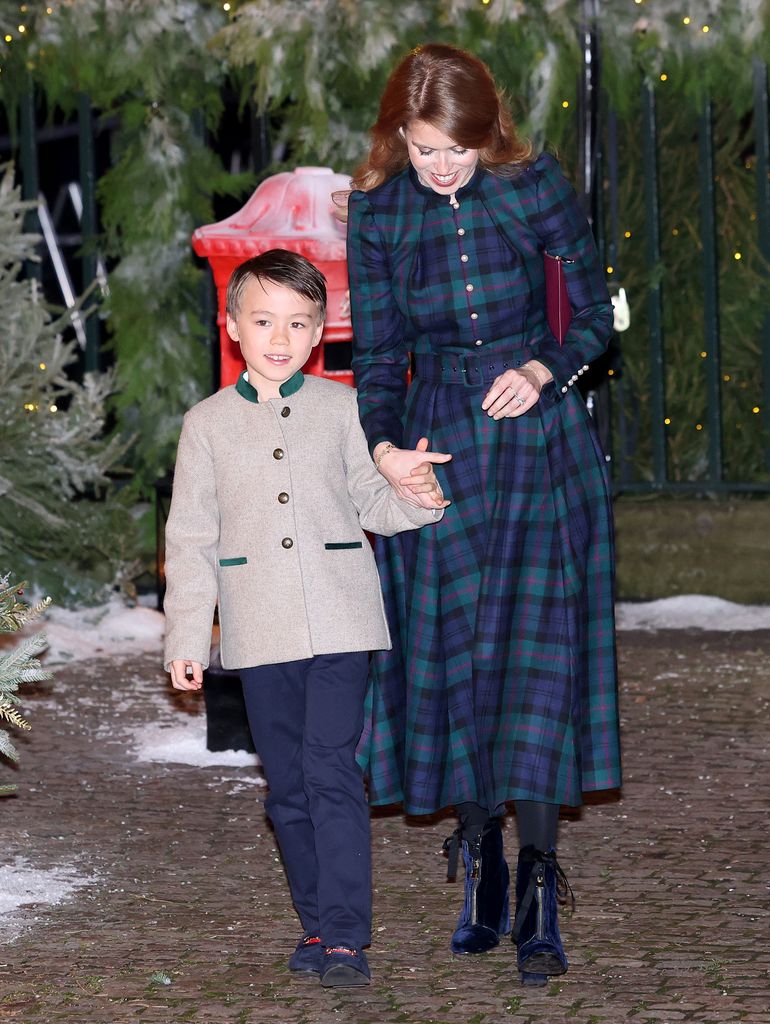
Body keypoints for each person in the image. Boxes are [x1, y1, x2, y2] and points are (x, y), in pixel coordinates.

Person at [344, 43, 621, 986]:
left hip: (540, 443)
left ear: (485, 129)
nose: (443, 166)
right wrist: (385, 448)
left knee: (537, 657)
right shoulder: (379, 215)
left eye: (456, 146)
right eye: (425, 149)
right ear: (401, 138)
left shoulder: (532, 185)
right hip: (442, 450)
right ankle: (481, 864)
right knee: (461, 658)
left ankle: (541, 880)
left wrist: (544, 368)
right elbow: (378, 356)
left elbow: (597, 315)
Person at [162, 249, 447, 988]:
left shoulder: (343, 410)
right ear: (233, 327)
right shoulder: (207, 426)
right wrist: (187, 637)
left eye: (297, 323)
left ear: (319, 332)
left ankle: (348, 936)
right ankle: (316, 922)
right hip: (259, 629)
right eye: (264, 321)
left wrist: (418, 491)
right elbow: (190, 539)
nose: (279, 337)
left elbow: (374, 504)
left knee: (329, 769)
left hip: (342, 619)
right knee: (286, 786)